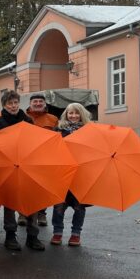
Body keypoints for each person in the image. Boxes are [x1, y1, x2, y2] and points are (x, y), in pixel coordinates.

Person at [0, 90, 46, 251]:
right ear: (4, 105)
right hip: (8, 165)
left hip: (27, 163)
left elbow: (33, 141)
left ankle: (32, 235)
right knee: (9, 201)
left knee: (31, 200)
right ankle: (10, 235)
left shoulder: (27, 120)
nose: (13, 106)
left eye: (15, 102)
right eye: (10, 103)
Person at [51, 103, 92, 247]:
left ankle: (76, 234)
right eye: (70, 113)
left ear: (82, 114)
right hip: (63, 172)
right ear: (66, 114)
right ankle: (57, 232)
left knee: (79, 206)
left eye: (76, 113)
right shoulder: (58, 130)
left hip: (82, 174)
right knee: (58, 205)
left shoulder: (89, 131)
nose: (73, 116)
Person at [24, 93, 59, 227]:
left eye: (40, 101)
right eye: (35, 101)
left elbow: (57, 137)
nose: (38, 103)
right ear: (30, 104)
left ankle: (41, 213)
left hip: (46, 157)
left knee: (43, 187)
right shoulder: (24, 117)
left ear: (45, 104)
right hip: (27, 157)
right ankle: (23, 212)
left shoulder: (53, 119)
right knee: (27, 186)